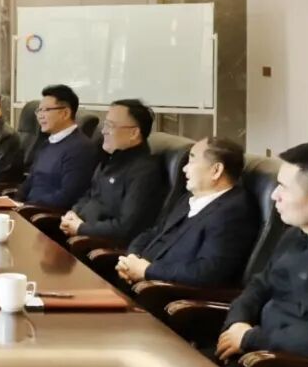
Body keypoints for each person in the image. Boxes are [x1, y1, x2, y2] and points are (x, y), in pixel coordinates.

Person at [217, 142, 308, 363]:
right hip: (253, 351)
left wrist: (250, 338)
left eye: (283, 187)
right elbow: (259, 286)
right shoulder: (294, 235)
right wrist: (237, 323)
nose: (274, 195)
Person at [116, 137, 254, 287]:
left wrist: (147, 271)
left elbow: (207, 272)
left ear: (216, 170)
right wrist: (131, 260)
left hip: (165, 294)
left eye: (192, 161)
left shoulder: (232, 213)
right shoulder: (189, 198)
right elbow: (154, 232)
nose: (184, 169)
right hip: (141, 281)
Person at [59, 99, 165, 242]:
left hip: (96, 246)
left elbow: (126, 228)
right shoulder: (112, 158)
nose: (103, 131)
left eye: (110, 126)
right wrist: (74, 213)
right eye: (105, 124)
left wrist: (81, 228)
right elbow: (90, 195)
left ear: (134, 133)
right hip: (78, 234)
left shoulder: (145, 172)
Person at [16, 84, 97, 210]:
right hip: (27, 210)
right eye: (39, 110)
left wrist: (27, 206)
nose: (40, 116)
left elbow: (68, 196)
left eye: (46, 110)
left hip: (45, 215)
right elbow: (31, 180)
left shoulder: (81, 148)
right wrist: (14, 202)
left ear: (65, 113)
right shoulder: (48, 142)